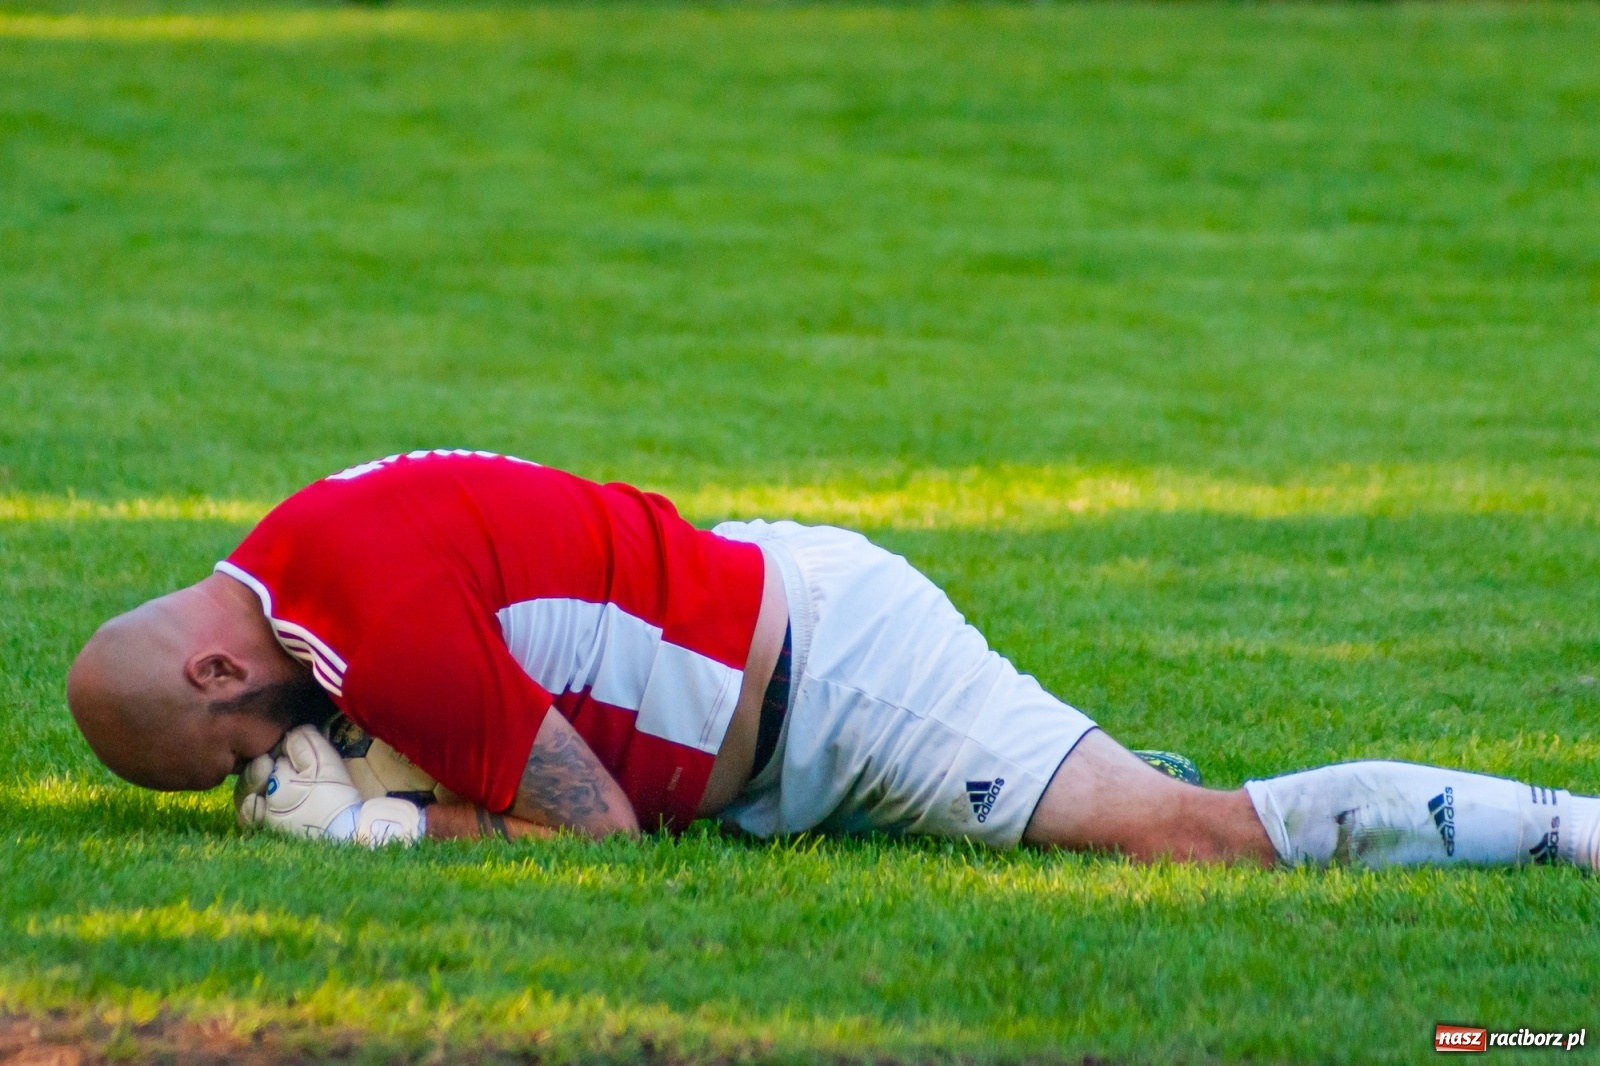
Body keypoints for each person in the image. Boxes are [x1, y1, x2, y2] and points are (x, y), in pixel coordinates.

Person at [66, 449, 1600, 870]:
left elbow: (592, 828)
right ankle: (1058, 767)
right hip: (771, 639)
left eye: (236, 753)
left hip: (847, 688)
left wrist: (384, 829)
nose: (264, 766)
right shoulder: (295, 549)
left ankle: (1568, 829)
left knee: (1191, 839)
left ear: (213, 675)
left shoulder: (372, 627)